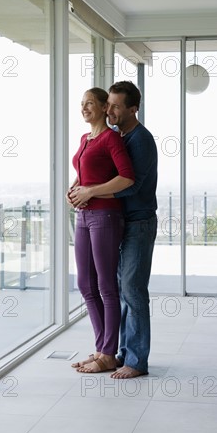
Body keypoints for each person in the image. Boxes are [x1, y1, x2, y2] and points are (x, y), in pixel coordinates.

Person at [71, 81, 158, 379]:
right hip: (118, 219)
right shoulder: (115, 136)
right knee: (115, 289)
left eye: (116, 106)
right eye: (109, 103)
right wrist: (81, 188)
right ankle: (115, 351)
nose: (110, 109)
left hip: (138, 221)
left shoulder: (140, 140)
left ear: (134, 108)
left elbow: (130, 184)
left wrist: (90, 192)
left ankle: (135, 360)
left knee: (132, 290)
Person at [66, 87, 134, 374]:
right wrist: (74, 187)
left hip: (105, 216)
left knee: (106, 286)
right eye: (82, 103)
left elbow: (126, 178)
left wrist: (90, 191)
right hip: (83, 216)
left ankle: (108, 353)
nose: (84, 108)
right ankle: (101, 348)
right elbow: (85, 172)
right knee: (85, 284)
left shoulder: (111, 139)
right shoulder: (85, 139)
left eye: (90, 103)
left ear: (104, 107)